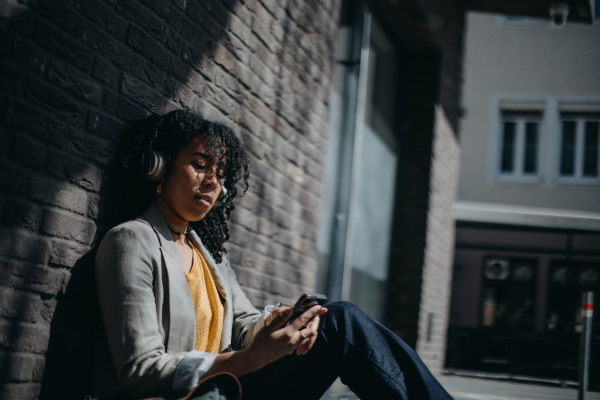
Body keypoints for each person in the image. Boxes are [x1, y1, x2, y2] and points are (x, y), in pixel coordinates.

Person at [94, 110, 453, 400]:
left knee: (334, 323)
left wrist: (277, 324)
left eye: (220, 174)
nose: (212, 183)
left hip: (230, 390)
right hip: (190, 396)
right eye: (200, 165)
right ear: (159, 166)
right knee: (342, 321)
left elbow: (244, 321)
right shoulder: (132, 242)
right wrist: (248, 359)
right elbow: (140, 371)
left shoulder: (208, 254)